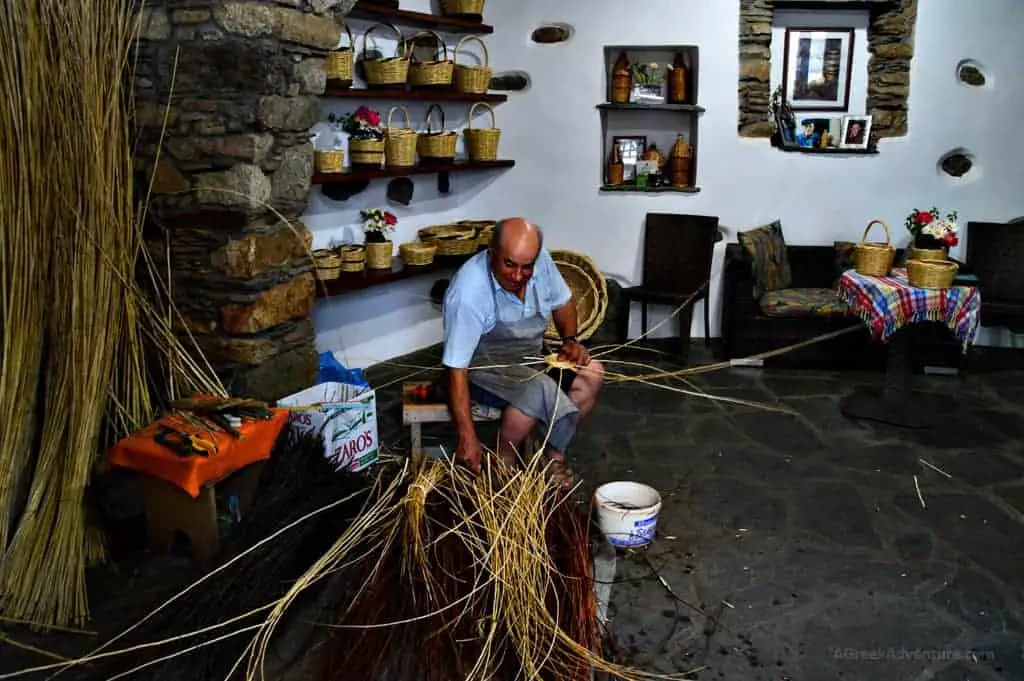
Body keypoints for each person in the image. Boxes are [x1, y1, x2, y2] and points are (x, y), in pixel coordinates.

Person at [441, 217, 605, 486]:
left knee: (592, 375)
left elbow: (563, 302)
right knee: (535, 391)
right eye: (509, 265)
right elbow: (457, 369)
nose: (518, 276)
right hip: (483, 366)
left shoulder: (541, 262)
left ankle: (552, 458)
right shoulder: (468, 293)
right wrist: (467, 438)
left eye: (526, 267)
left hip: (532, 356)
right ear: (492, 253)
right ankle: (503, 466)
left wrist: (570, 341)